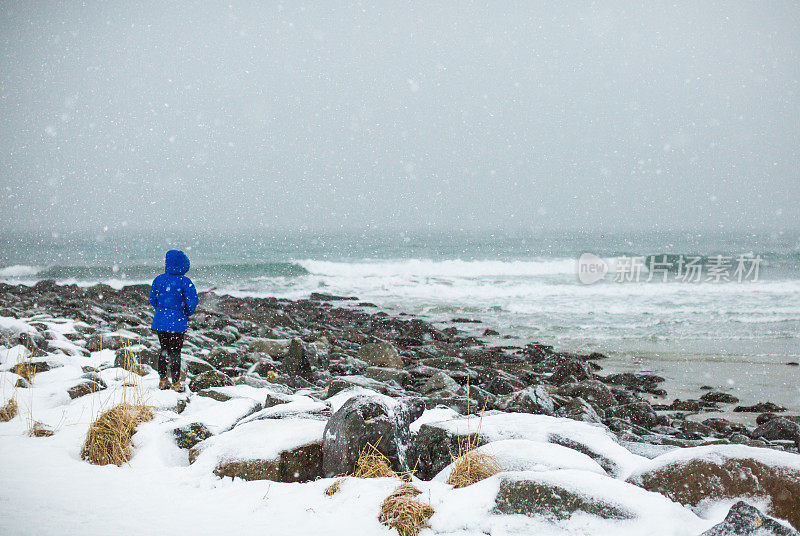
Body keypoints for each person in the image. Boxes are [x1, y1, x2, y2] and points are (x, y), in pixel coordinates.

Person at [149, 250, 199, 392]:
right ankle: (176, 383)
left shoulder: (159, 279)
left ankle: (163, 380)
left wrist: (161, 310)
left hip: (160, 321)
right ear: (183, 265)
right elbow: (192, 301)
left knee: (164, 350)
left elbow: (153, 299)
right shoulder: (185, 281)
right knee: (175, 352)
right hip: (177, 322)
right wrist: (186, 313)